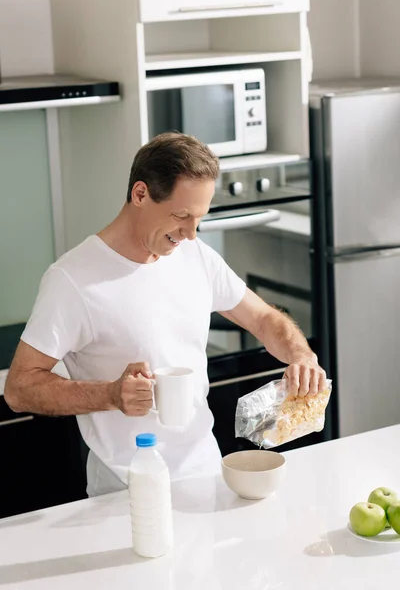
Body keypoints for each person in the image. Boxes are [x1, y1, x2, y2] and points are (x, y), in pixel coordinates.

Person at [5, 132, 327, 497]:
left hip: (207, 477)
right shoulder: (73, 280)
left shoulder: (196, 256)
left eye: (200, 218)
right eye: (180, 216)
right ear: (140, 194)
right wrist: (111, 395)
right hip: (125, 491)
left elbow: (265, 319)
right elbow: (20, 388)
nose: (191, 234)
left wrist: (301, 356)